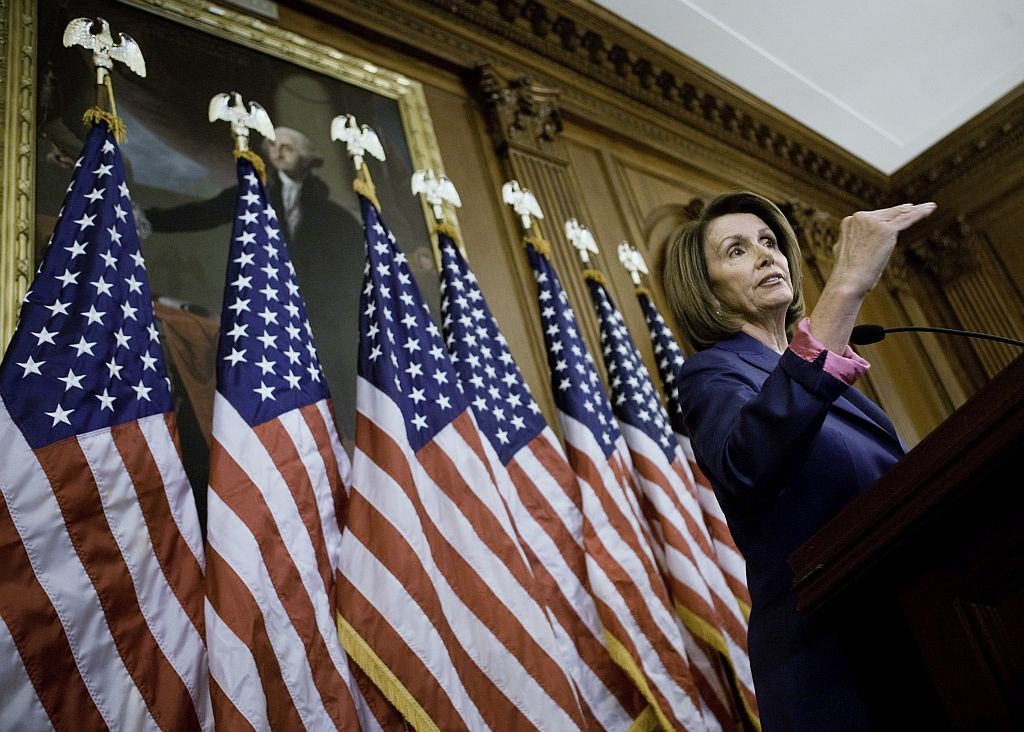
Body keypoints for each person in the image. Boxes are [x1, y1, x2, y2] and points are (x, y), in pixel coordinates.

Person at [662, 191, 935, 730]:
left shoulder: (831, 383)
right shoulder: (710, 375)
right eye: (736, 251)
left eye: (768, 242)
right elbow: (749, 461)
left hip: (911, 625)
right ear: (709, 293)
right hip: (833, 659)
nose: (766, 256)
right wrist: (848, 283)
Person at [142, 126, 366, 439]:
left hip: (324, 321)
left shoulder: (336, 217)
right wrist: (146, 218)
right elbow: (204, 213)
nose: (279, 151)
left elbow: (352, 270)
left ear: (309, 157)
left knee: (331, 396)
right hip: (270, 313)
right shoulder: (253, 196)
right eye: (273, 145)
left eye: (289, 145)